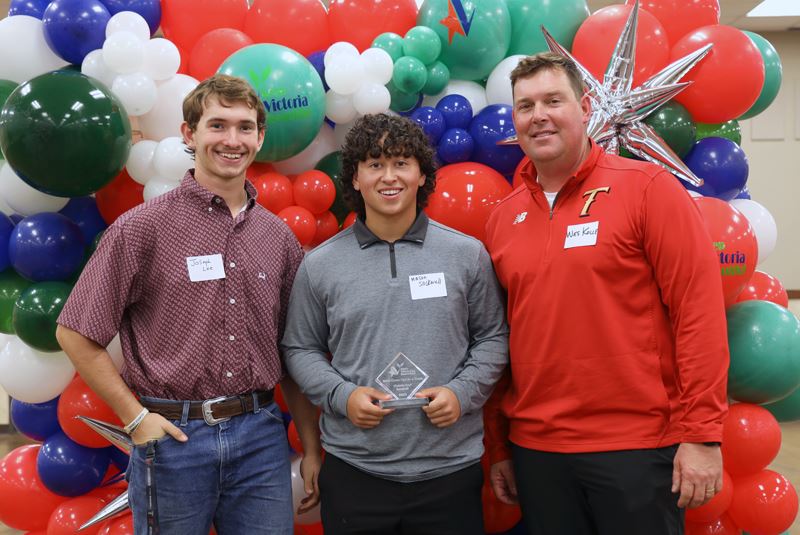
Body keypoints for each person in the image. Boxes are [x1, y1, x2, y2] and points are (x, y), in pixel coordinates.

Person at [56, 74, 321, 535]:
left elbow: (293, 352)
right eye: (217, 125)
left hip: (260, 437)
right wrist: (136, 419)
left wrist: (312, 445)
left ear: (260, 138)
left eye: (244, 127)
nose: (231, 140)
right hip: (174, 440)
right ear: (189, 134)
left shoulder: (277, 238)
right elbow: (75, 332)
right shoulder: (143, 228)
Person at [484, 52, 729, 535]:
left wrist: (702, 435)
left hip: (636, 447)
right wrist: (500, 447)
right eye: (526, 105)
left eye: (554, 100)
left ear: (584, 106)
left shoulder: (647, 188)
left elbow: (697, 313)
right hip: (538, 450)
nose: (540, 116)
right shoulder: (502, 219)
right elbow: (497, 340)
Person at [281, 113, 508, 535]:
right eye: (374, 164)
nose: (389, 176)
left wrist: (462, 393)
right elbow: (299, 348)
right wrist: (341, 395)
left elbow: (494, 337)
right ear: (355, 178)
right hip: (355, 471)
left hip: (450, 471)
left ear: (422, 175)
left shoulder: (466, 254)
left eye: (402, 163)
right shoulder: (320, 265)